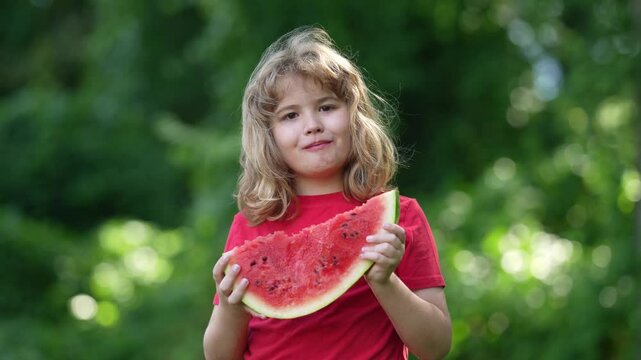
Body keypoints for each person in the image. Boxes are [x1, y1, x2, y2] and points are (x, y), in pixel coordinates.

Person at [203, 26, 451, 360]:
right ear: (269, 135)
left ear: (354, 116)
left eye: (326, 107)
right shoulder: (251, 226)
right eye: (290, 115)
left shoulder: (400, 218)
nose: (312, 125)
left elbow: (435, 347)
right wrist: (231, 308)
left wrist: (384, 281)